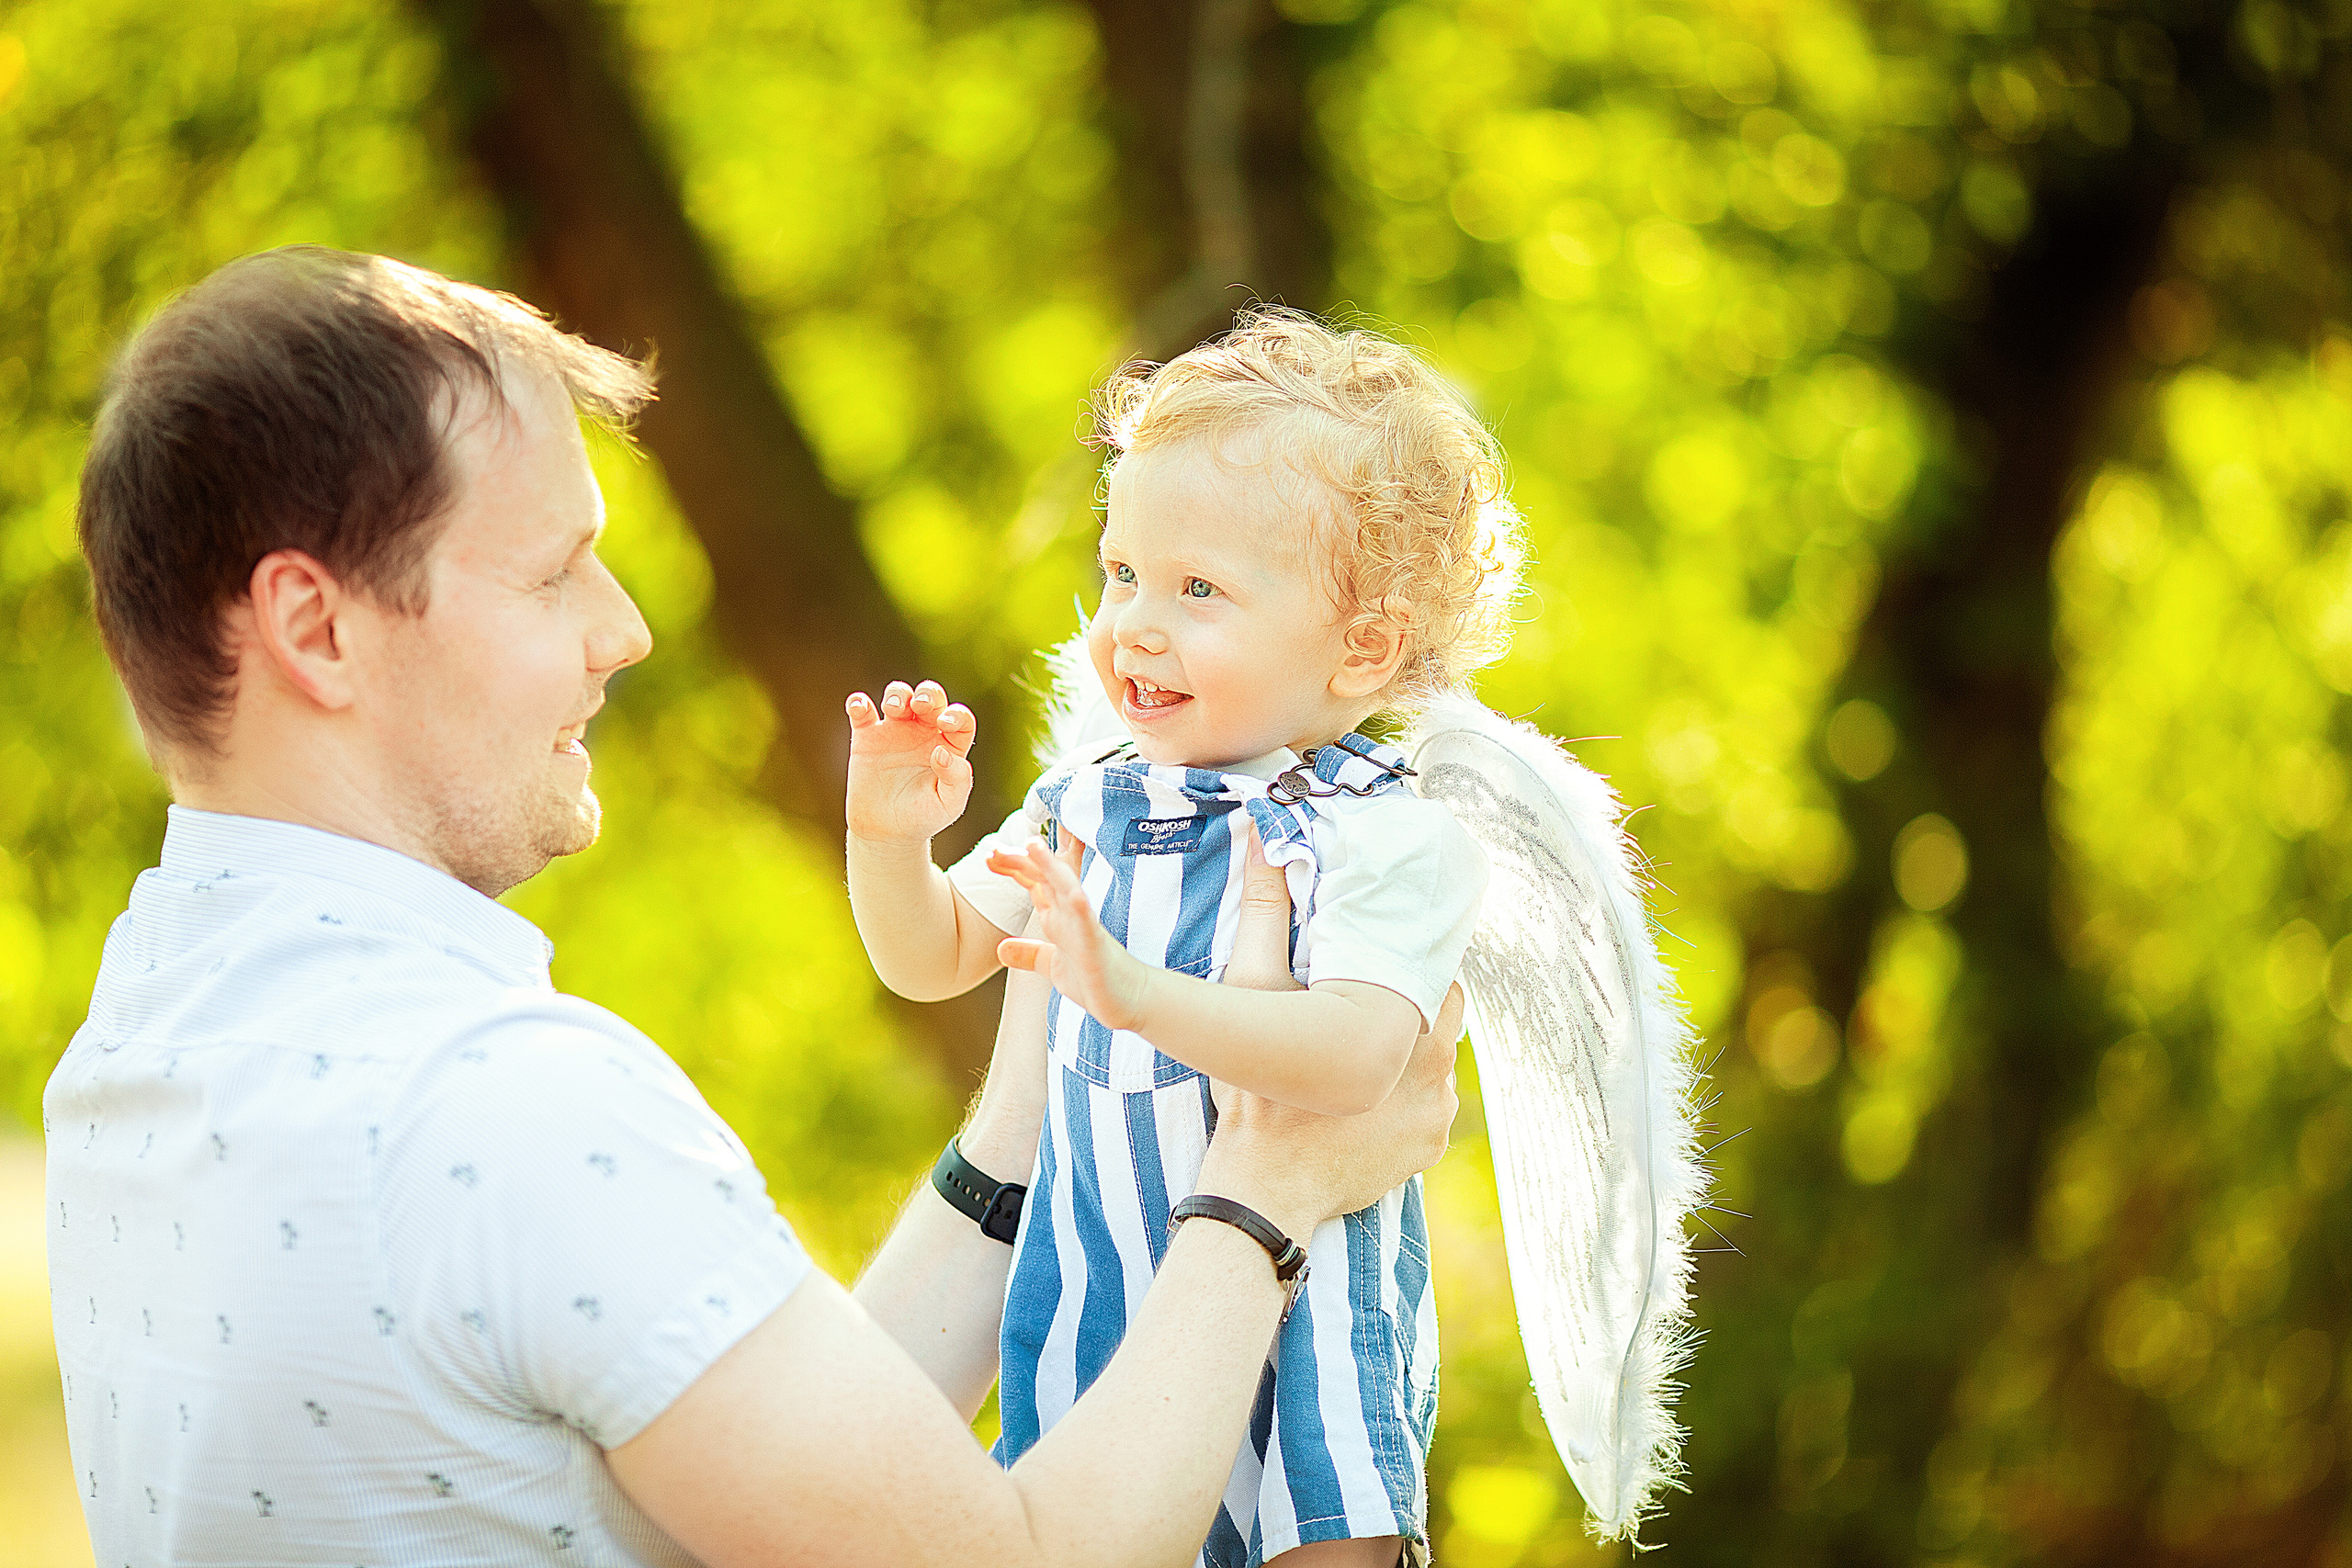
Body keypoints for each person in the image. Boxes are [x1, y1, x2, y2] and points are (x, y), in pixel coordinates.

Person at [44, 245, 1462, 1568]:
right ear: (316, 630)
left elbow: (789, 1491)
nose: (627, 630)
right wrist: (1269, 1182)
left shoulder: (138, 1058)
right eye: (553, 572)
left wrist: (1016, 1127)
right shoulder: (498, 1107)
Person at [843, 310, 1523, 1568]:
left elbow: (1360, 1059)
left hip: (1305, 1317)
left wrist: (1142, 995)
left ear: (1362, 647)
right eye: (1121, 574)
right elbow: (932, 955)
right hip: (1102, 1304)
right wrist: (890, 843)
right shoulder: (1087, 800)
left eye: (1197, 590)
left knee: (1316, 1529)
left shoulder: (1382, 837)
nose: (1133, 625)